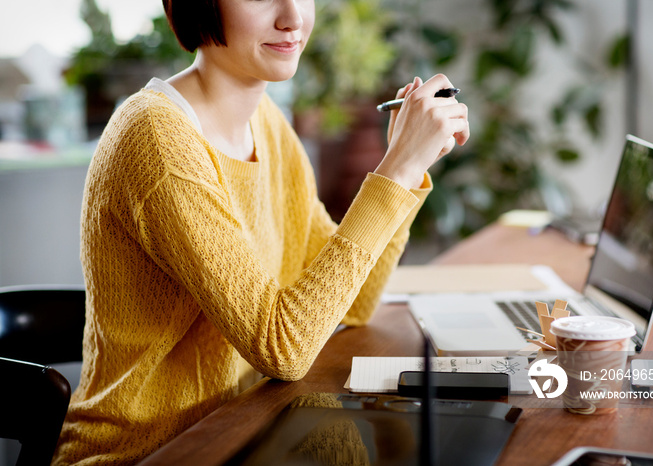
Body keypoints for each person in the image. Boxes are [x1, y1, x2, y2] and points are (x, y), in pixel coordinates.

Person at [52, 0, 469, 463]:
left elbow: (356, 301)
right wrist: (396, 170)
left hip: (242, 428)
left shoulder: (265, 121)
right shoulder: (157, 140)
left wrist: (407, 168)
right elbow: (282, 348)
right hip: (147, 452)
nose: (292, 17)